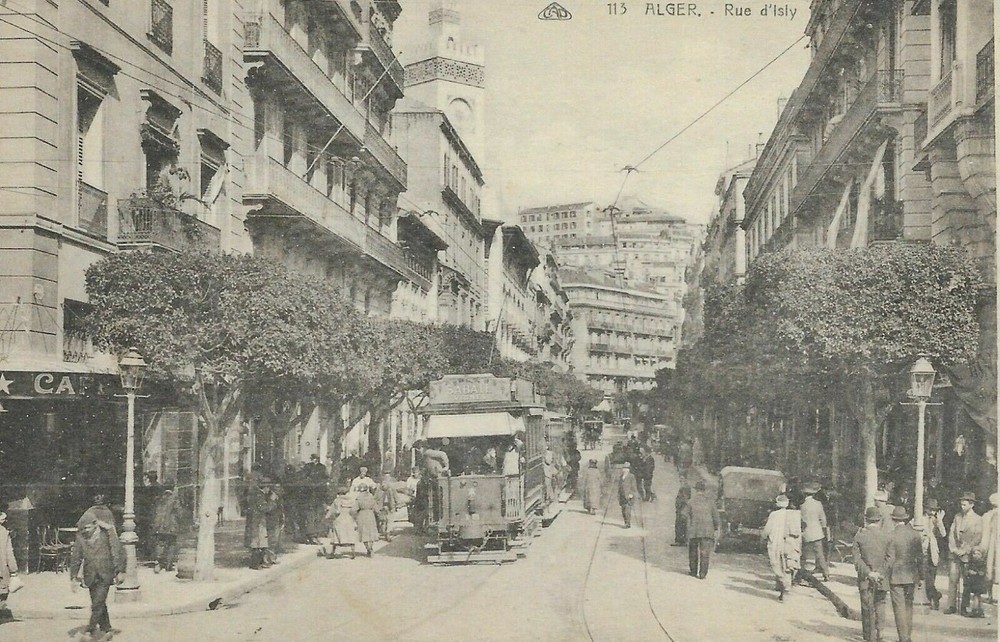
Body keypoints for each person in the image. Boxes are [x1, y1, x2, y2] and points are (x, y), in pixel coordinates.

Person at [69, 509, 125, 639]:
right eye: (82, 529)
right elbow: (76, 557)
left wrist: (119, 571)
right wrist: (74, 578)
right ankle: (107, 629)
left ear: (96, 524)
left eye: (87, 528)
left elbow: (117, 552)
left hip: (106, 573)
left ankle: (90, 630)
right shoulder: (81, 537)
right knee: (99, 602)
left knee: (97, 603)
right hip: (90, 575)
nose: (85, 531)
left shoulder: (107, 535)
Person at [884, 506, 922, 642]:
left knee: (898, 608)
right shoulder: (915, 534)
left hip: (896, 576)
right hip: (911, 575)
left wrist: (884, 575)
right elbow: (920, 558)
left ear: (894, 520)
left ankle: (903, 638)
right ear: (905, 519)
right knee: (909, 606)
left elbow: (890, 559)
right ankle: (908, 637)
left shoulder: (891, 535)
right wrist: (921, 576)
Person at [854, 506, 890, 642]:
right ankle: (880, 633)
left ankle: (869, 637)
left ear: (866, 520)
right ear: (879, 520)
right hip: (882, 578)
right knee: (880, 603)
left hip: (865, 578)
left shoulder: (859, 536)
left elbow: (857, 560)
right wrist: (880, 572)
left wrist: (869, 573)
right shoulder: (886, 536)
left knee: (867, 606)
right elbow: (890, 558)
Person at [945, 491, 982, 615]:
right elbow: (951, 534)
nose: (962, 507)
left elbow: (977, 538)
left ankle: (964, 607)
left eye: (964, 505)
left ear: (971, 505)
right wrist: (954, 549)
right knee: (952, 579)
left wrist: (965, 551)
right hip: (955, 553)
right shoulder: (957, 517)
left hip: (967, 554)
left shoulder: (977, 519)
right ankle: (951, 605)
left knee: (967, 582)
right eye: (961, 504)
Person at [762, 494, 801, 601]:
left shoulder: (774, 515)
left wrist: (763, 538)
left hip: (776, 544)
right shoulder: (793, 514)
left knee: (778, 565)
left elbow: (767, 530)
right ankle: (785, 589)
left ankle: (783, 587)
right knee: (788, 566)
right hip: (789, 544)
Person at [686, 480, 721, 579]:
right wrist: (716, 528)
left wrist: (687, 531)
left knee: (693, 551)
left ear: (696, 490)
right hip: (707, 531)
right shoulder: (710, 502)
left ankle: (693, 571)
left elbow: (685, 516)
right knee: (705, 552)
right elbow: (716, 517)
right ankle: (702, 574)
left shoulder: (690, 502)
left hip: (694, 530)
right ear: (704, 490)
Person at [800, 482, 831, 581]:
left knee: (803, 554)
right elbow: (823, 519)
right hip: (817, 532)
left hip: (805, 532)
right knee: (820, 554)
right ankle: (826, 574)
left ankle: (800, 574)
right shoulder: (818, 504)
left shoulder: (802, 505)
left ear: (804, 494)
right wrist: (824, 528)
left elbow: (800, 519)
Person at [919, 499, 945, 610]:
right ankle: (935, 595)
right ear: (925, 508)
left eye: (934, 510)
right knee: (925, 575)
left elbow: (943, 534)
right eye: (930, 509)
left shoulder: (936, 520)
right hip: (923, 550)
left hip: (933, 551)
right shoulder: (919, 519)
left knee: (932, 576)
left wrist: (939, 521)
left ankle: (932, 600)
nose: (932, 512)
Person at [151, 486, 183, 574]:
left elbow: (155, 513)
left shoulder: (159, 499)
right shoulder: (175, 500)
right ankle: (168, 565)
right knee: (171, 544)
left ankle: (158, 563)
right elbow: (180, 513)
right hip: (172, 526)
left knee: (160, 544)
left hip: (160, 526)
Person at [975, 492, 998, 605]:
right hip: (994, 546)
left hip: (990, 546)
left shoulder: (986, 516)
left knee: (990, 570)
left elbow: (983, 535)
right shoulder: (989, 516)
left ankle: (991, 595)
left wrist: (982, 549)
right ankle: (993, 596)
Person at [324, 486, 358, 559]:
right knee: (350, 535)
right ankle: (353, 552)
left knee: (336, 536)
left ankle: (333, 552)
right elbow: (354, 510)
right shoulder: (352, 500)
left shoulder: (337, 500)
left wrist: (327, 516)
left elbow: (335, 511)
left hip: (340, 519)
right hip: (349, 519)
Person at [353, 484, 379, 557]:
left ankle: (369, 549)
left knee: (364, 534)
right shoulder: (371, 497)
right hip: (370, 515)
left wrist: (353, 516)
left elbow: (354, 509)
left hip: (362, 515)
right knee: (371, 532)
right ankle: (371, 548)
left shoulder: (358, 498)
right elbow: (376, 508)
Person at [0, 511, 17, 622]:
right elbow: (9, 553)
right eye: (3, 519)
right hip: (1, 568)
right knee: (2, 592)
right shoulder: (4, 533)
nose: (5, 521)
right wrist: (13, 570)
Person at [374, 473, 397, 542]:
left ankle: (387, 533)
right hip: (382, 507)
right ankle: (386, 533)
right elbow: (375, 499)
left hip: (390, 506)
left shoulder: (391, 488)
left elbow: (395, 497)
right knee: (384, 521)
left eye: (388, 478)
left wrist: (398, 504)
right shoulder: (379, 489)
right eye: (385, 479)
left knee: (388, 521)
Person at [617, 461, 638, 529]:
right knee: (623, 510)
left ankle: (628, 523)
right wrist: (618, 494)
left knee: (627, 510)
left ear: (628, 470)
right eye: (624, 468)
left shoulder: (631, 476)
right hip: (622, 496)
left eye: (626, 469)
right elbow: (619, 486)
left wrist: (631, 494)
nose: (624, 470)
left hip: (628, 496)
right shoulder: (621, 477)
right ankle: (625, 521)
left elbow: (634, 486)